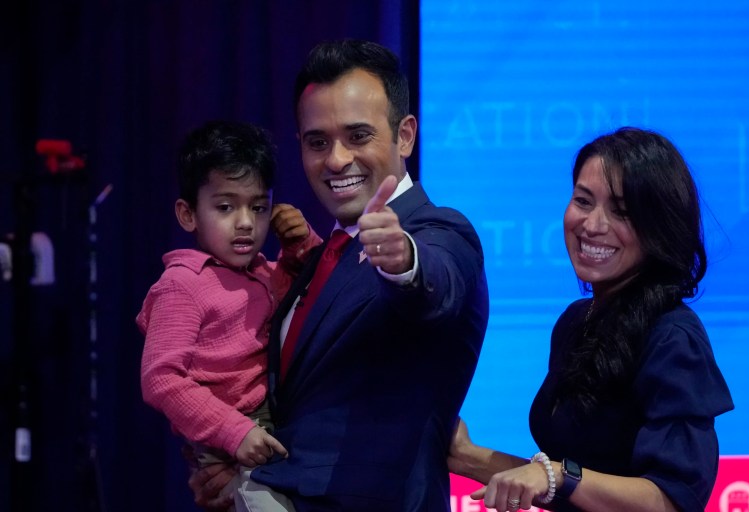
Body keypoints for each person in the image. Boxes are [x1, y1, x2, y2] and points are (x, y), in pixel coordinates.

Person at [189, 39, 489, 511]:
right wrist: (235, 468)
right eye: (317, 142)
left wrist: (403, 260)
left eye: (358, 136)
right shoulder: (317, 258)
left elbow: (436, 284)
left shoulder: (437, 230)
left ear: (405, 135)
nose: (335, 159)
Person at [447, 127, 734, 512]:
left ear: (659, 228)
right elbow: (570, 489)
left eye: (622, 212)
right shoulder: (577, 322)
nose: (593, 225)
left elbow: (670, 500)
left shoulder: (673, 337)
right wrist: (466, 455)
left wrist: (560, 475)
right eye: (583, 201)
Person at [137, 120, 322, 512]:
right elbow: (160, 378)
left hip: (273, 422)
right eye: (225, 207)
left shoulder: (262, 271)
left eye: (258, 207)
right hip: (231, 436)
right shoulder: (182, 284)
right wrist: (234, 433)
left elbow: (313, 296)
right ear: (188, 215)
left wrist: (299, 243)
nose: (244, 222)